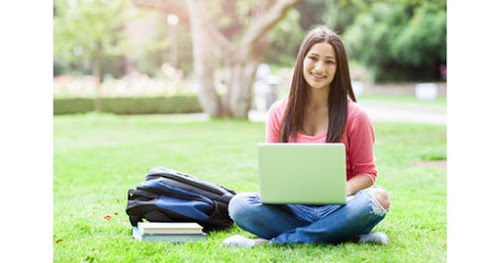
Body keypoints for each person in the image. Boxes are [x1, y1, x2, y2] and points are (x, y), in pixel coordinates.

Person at [222, 26, 391, 248]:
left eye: (329, 61)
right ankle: (346, 235)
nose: (320, 67)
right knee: (239, 205)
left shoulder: (355, 115)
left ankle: (276, 242)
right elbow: (273, 171)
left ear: (339, 68)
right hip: (292, 209)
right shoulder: (278, 112)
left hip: (340, 207)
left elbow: (367, 174)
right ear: (302, 60)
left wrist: (342, 190)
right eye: (313, 58)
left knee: (380, 198)